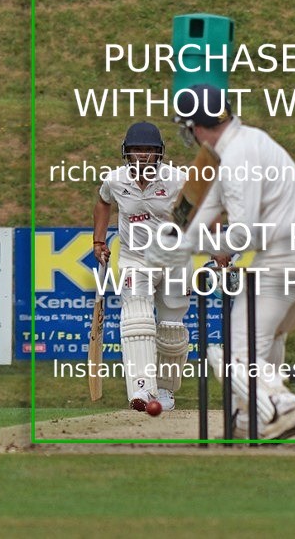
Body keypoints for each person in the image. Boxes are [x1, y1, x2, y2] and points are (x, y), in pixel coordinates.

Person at [145, 84, 295, 440]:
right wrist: (175, 241)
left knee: (235, 354)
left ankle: (283, 406)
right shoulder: (247, 142)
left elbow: (243, 235)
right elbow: (201, 213)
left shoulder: (235, 158)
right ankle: (248, 421)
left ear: (195, 126)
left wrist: (189, 248)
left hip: (287, 255)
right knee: (268, 338)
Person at [92, 122, 192, 413]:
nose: (143, 156)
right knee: (137, 317)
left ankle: (165, 390)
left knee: (171, 328)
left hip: (174, 259)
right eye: (137, 150)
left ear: (159, 153)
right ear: (127, 152)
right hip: (136, 258)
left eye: (149, 150)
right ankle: (141, 389)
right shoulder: (115, 180)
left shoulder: (177, 180)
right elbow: (102, 202)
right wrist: (99, 240)